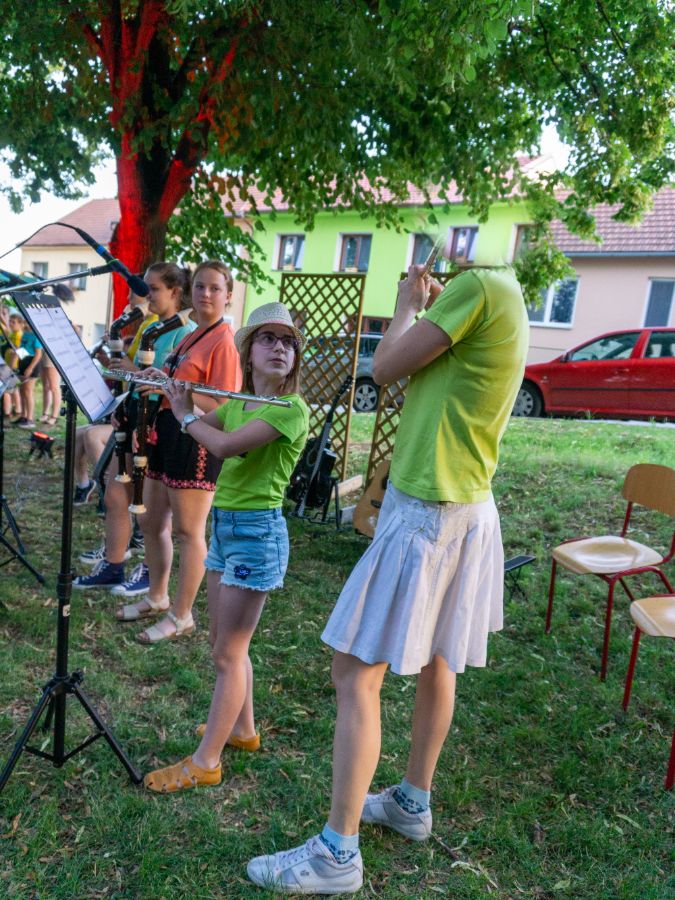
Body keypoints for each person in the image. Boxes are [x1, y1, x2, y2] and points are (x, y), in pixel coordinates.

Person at [246, 263, 529, 894]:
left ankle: (336, 856)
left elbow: (383, 367)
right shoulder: (506, 292)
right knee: (438, 658)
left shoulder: (477, 287)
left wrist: (405, 304)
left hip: (430, 508)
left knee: (354, 671)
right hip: (467, 503)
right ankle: (411, 802)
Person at [143, 301, 308, 791]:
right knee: (225, 644)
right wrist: (172, 388)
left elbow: (221, 446)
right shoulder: (238, 403)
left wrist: (181, 413)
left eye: (288, 342)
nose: (279, 348)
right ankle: (243, 730)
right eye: (268, 339)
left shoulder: (290, 410)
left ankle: (206, 762)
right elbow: (201, 422)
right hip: (225, 529)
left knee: (228, 654)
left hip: (257, 535)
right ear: (249, 352)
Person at [121, 260, 241, 644]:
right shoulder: (191, 335)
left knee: (189, 531)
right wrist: (162, 381)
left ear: (228, 296)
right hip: (168, 430)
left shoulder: (223, 341)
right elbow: (178, 384)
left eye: (215, 288)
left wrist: (172, 390)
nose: (205, 294)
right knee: (152, 522)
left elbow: (224, 403)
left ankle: (182, 615)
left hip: (198, 437)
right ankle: (157, 596)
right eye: (200, 286)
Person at [72, 262, 196, 594]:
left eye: (153, 289)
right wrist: (118, 378)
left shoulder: (184, 331)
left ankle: (152, 574)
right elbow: (135, 372)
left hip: (157, 426)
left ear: (175, 292)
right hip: (132, 418)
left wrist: (131, 371)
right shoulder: (151, 325)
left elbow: (173, 385)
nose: (145, 295)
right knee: (116, 495)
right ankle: (113, 565)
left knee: (152, 511)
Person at [10, 320, 43, 428]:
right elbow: (22, 350)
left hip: (32, 364)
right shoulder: (25, 334)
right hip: (23, 363)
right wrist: (13, 363)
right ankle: (23, 416)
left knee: (28, 392)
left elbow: (38, 354)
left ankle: (30, 419)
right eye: (26, 322)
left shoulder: (36, 336)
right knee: (22, 391)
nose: (27, 325)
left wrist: (30, 368)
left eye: (29, 323)